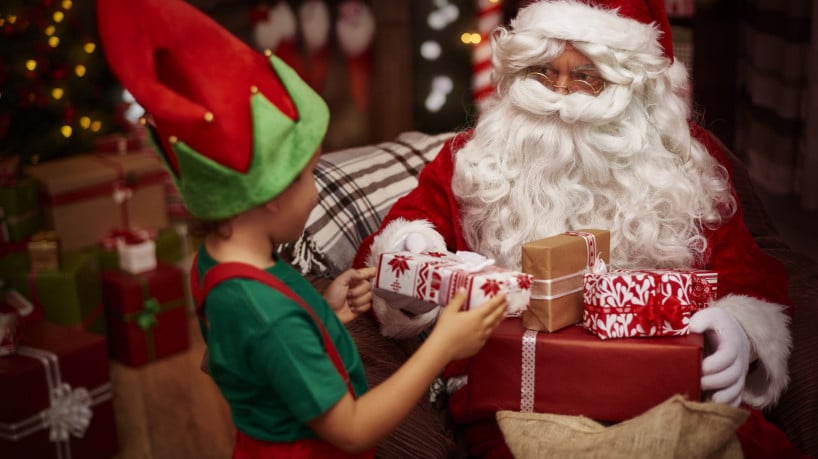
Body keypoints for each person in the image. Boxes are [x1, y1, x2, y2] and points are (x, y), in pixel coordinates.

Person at [354, 0, 802, 456]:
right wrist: (412, 260)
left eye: (587, 76)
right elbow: (402, 234)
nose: (561, 93)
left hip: (666, 389)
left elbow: (748, 270)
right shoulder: (474, 158)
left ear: (636, 87)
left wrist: (740, 334)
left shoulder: (687, 164)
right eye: (543, 71)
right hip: (518, 400)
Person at [95, 0, 508, 457]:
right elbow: (352, 429)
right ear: (271, 194)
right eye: (309, 176)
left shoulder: (218, 261)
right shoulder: (267, 314)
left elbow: (267, 360)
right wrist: (444, 344)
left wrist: (322, 309)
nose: (316, 193)